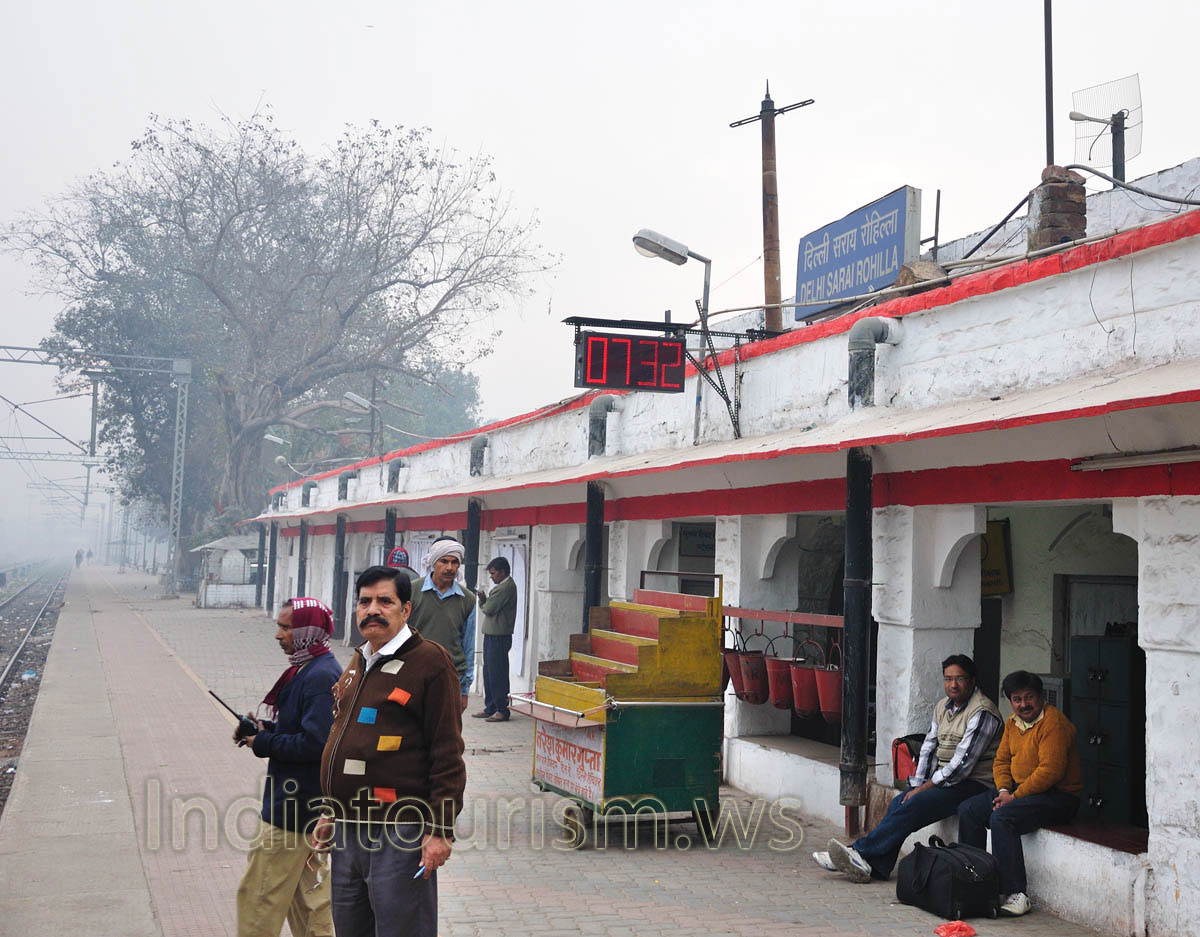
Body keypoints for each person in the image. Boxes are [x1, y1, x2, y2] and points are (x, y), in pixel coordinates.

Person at [316, 565, 466, 937]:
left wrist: (439, 830)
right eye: (364, 602)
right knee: (350, 928)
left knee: (402, 929)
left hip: (399, 831)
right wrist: (329, 811)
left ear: (406, 609)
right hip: (348, 830)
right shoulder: (357, 662)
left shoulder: (430, 663)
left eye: (385, 601)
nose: (372, 610)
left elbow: (447, 753)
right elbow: (341, 737)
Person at [815, 654, 1002, 883]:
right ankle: (876, 866)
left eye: (960, 679)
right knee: (900, 801)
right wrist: (916, 785)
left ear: (972, 681)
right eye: (948, 679)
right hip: (948, 782)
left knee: (914, 803)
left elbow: (961, 767)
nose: (953, 685)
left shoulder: (982, 712)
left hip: (975, 785)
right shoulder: (942, 707)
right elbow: (929, 748)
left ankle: (859, 852)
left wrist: (923, 790)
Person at [234, 597, 341, 937]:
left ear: (307, 631)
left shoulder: (319, 676)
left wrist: (263, 743)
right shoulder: (310, 669)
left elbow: (315, 743)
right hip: (309, 807)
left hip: (292, 811)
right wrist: (266, 730)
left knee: (259, 899)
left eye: (285, 627)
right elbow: (305, 731)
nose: (278, 634)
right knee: (310, 904)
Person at [956, 670, 1082, 917]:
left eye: (1029, 697)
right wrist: (1004, 790)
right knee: (969, 810)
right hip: (1018, 790)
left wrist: (1014, 797)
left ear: (1040, 697)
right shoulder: (1013, 722)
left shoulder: (1053, 723)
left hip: (1059, 796)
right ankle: (977, 882)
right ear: (1010, 701)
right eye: (1017, 699)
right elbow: (1001, 760)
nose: (1024, 704)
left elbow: (1050, 771)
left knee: (1002, 818)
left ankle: (1016, 893)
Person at [407, 538, 476, 713]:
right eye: (444, 561)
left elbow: (468, 646)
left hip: (451, 676)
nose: (450, 567)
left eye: (455, 562)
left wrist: (465, 690)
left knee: (446, 734)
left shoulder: (467, 599)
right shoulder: (412, 591)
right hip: (414, 674)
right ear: (433, 562)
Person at [471, 556, 517, 722]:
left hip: (499, 636)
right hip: (493, 634)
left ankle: (501, 709)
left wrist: (482, 602)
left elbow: (489, 609)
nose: (492, 577)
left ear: (502, 572)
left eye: (493, 573)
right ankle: (490, 706)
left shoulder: (505, 588)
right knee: (489, 671)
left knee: (497, 673)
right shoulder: (502, 587)